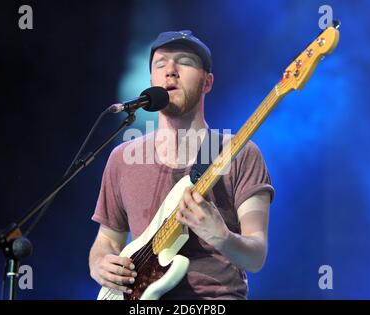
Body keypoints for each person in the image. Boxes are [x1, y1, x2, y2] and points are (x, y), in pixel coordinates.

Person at [89, 30, 274, 299]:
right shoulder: (122, 157)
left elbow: (256, 256)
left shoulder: (239, 153)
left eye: (185, 62)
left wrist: (221, 236)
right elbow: (106, 240)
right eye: (160, 64)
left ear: (207, 82)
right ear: (151, 80)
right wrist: (100, 264)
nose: (170, 71)